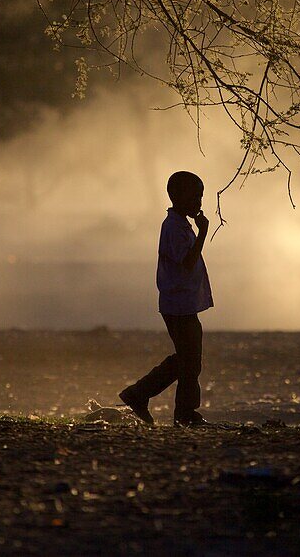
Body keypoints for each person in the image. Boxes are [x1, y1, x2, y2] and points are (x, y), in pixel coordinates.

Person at [119, 170, 213, 426]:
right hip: (178, 304)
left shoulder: (179, 225)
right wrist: (203, 234)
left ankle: (143, 396)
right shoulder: (173, 227)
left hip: (181, 303)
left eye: (200, 198)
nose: (199, 203)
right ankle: (179, 411)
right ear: (178, 196)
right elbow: (187, 262)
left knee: (187, 359)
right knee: (189, 360)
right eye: (195, 197)